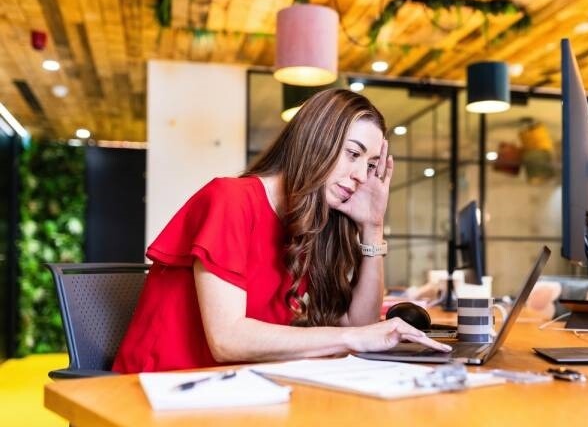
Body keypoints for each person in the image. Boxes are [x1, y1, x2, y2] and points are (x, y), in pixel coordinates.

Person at [113, 89, 450, 373]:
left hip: (236, 389)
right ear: (315, 140)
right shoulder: (231, 199)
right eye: (353, 154)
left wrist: (373, 227)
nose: (363, 175)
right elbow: (226, 340)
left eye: (371, 165)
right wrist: (351, 338)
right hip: (159, 391)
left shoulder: (308, 220)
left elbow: (358, 324)